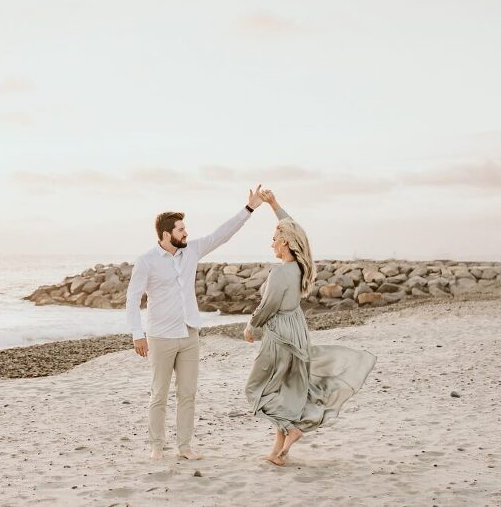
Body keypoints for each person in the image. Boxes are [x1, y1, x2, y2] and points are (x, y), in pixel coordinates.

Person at [127, 185, 264, 461]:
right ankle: (157, 446)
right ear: (166, 234)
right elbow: (132, 299)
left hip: (189, 333)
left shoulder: (192, 251)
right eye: (180, 229)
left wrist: (248, 209)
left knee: (187, 394)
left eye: (185, 228)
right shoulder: (146, 261)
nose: (185, 233)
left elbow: (221, 234)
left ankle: (185, 446)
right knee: (159, 395)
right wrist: (136, 334)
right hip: (160, 336)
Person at [244, 189, 376, 466]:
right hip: (297, 329)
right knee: (288, 388)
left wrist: (250, 326)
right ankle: (278, 451)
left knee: (260, 388)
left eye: (274, 240)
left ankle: (293, 430)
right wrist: (274, 205)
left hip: (280, 333)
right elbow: (296, 230)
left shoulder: (280, 272)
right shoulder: (303, 267)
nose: (271, 245)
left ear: (285, 243)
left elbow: (267, 307)